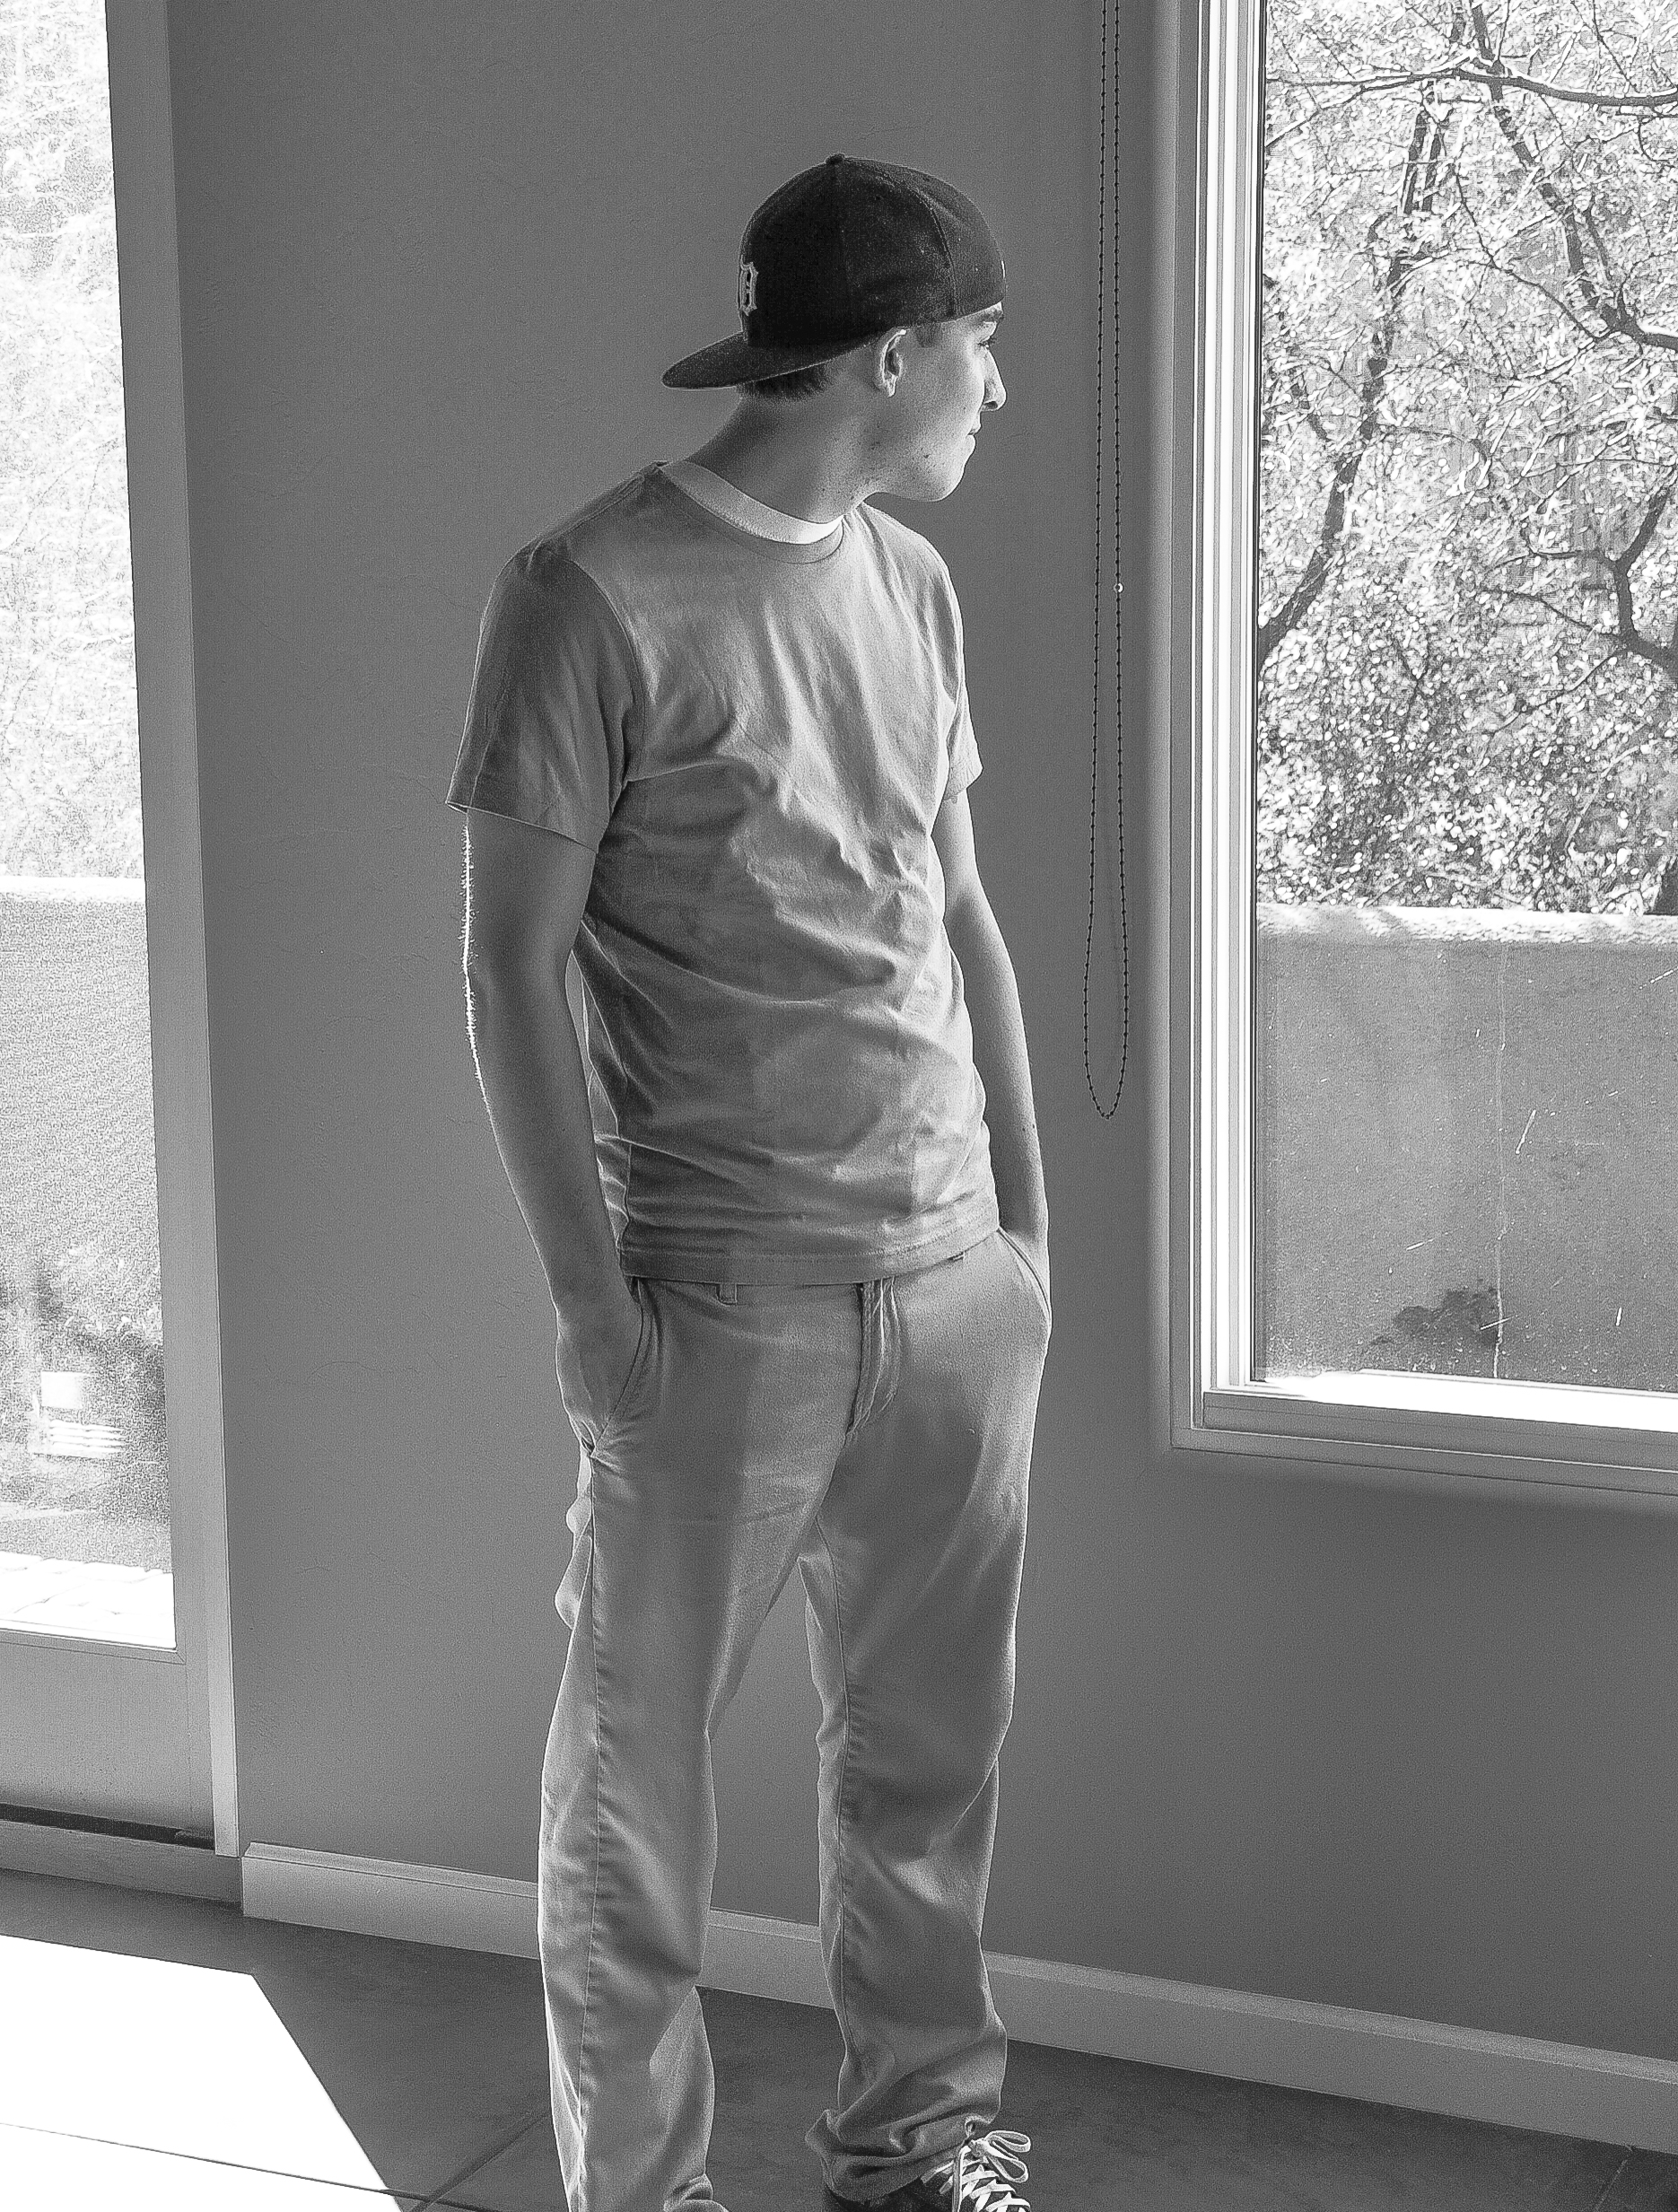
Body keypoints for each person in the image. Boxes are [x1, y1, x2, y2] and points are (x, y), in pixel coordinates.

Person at [447, 153, 1047, 2212]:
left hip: (954, 1298)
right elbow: (506, 972)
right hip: (722, 1305)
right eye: (980, 347)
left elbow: (957, 920)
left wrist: (1022, 1242)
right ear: (887, 355)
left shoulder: (912, 586)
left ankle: (921, 2144)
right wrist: (591, 1316)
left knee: (925, 1773)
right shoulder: (585, 594)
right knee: (631, 1806)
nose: (993, 389)